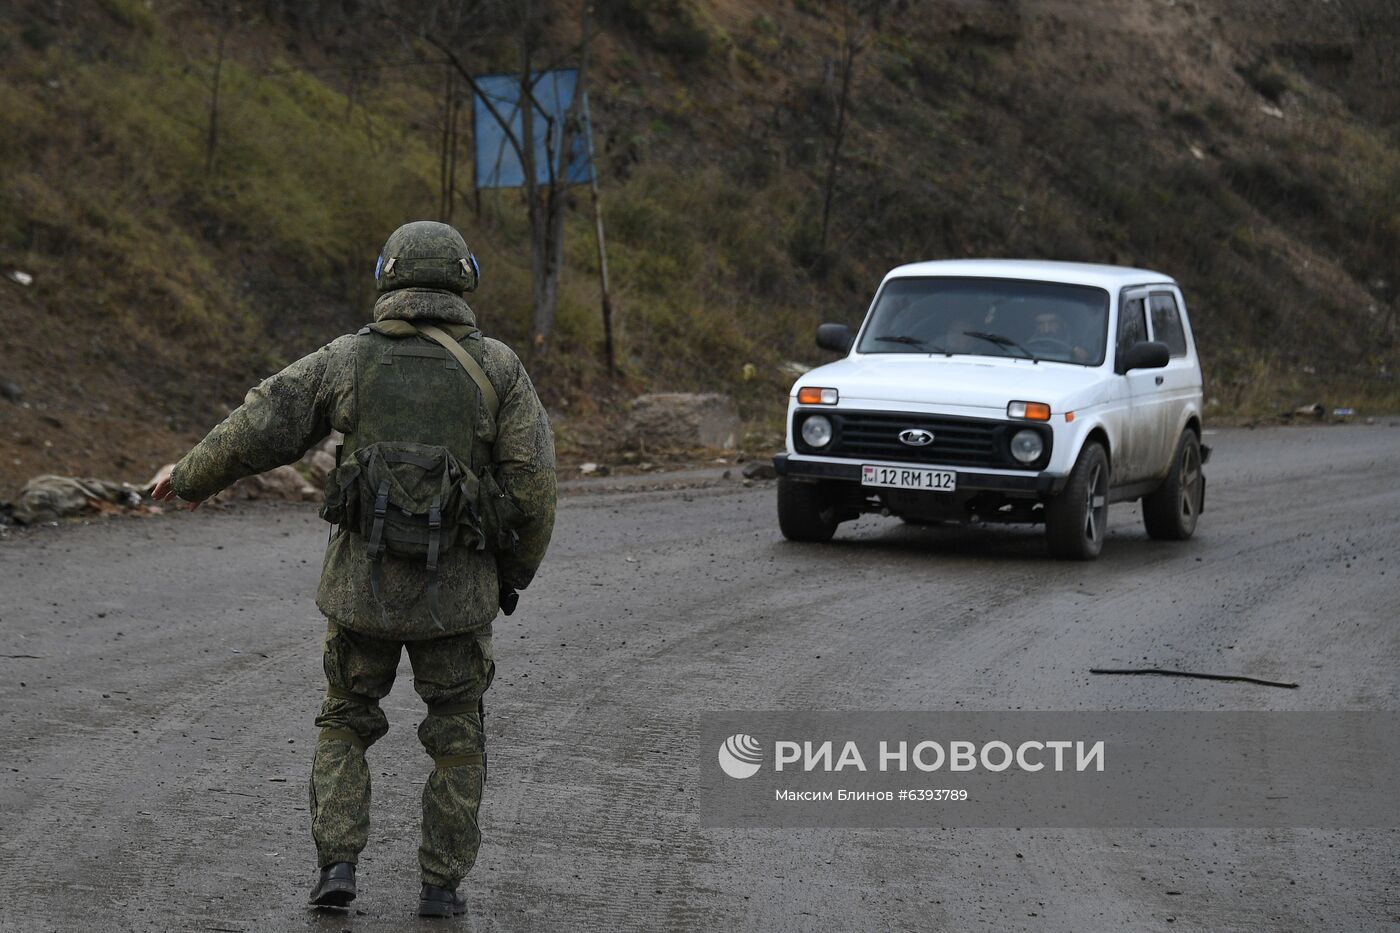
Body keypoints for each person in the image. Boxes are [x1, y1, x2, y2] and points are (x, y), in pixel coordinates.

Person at [152, 221, 557, 920]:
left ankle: (337, 864)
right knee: (457, 730)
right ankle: (440, 884)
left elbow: (263, 421)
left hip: (359, 592)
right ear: (466, 279)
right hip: (456, 600)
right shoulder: (499, 369)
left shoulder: (348, 360)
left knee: (345, 719)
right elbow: (534, 492)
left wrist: (189, 476)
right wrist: (509, 575)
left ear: (386, 276)